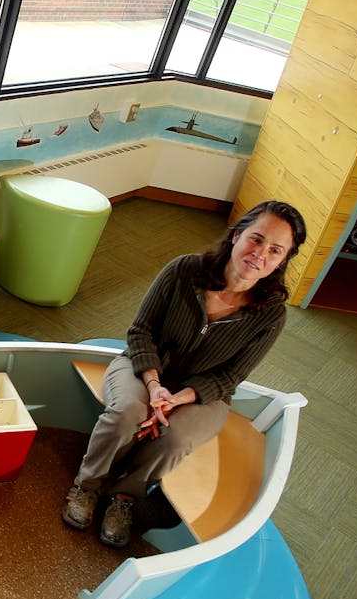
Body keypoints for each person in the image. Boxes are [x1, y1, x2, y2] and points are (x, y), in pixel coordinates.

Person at [62, 200, 307, 548]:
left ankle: (125, 497)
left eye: (275, 250)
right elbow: (140, 331)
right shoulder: (183, 270)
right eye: (256, 239)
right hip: (143, 366)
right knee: (127, 413)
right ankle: (86, 485)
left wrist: (178, 398)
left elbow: (231, 375)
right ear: (237, 235)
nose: (260, 254)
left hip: (206, 394)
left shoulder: (271, 315)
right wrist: (154, 385)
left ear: (283, 260)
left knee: (176, 437)